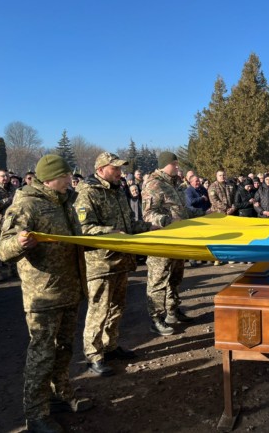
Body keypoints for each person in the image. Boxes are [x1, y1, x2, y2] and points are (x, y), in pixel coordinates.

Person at [0, 154, 92, 432]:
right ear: (50, 179)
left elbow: (76, 239)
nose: (70, 180)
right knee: (42, 354)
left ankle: (60, 395)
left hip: (70, 289)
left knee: (64, 349)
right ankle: (36, 414)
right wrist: (19, 242)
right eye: (65, 176)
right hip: (44, 295)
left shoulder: (65, 202)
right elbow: (2, 250)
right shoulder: (27, 205)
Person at [74, 152, 153, 376]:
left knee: (117, 308)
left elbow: (129, 224)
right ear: (100, 170)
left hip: (120, 260)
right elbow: (84, 228)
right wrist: (112, 233)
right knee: (98, 310)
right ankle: (93, 355)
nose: (120, 172)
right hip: (101, 263)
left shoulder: (118, 191)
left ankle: (110, 346)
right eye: (115, 168)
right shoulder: (88, 192)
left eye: (120, 169)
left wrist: (150, 228)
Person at [142, 152, 205, 336]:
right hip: (161, 241)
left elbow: (182, 211)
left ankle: (173, 311)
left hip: (177, 239)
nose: (178, 167)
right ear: (165, 165)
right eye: (174, 164)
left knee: (175, 278)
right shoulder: (154, 184)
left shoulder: (175, 184)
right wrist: (168, 221)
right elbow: (148, 214)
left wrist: (204, 213)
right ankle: (156, 319)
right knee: (158, 280)